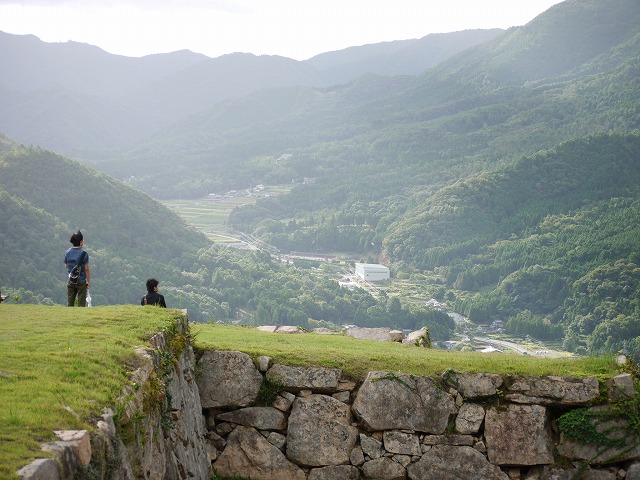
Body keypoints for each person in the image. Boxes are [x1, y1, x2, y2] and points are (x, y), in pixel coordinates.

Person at [64, 230, 90, 307]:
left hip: (71, 280)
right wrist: (88, 281)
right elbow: (86, 269)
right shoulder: (84, 253)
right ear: (81, 241)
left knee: (70, 304)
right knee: (81, 305)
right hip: (81, 281)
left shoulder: (67, 252)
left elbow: (66, 266)